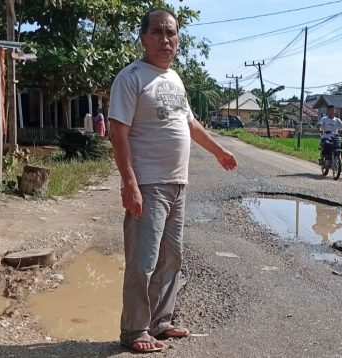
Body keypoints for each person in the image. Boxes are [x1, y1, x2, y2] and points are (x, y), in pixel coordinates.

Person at [108, 8, 238, 353]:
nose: (165, 40)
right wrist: (129, 184)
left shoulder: (176, 79)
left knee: (171, 257)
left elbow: (190, 124)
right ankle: (134, 330)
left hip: (178, 184)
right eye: (157, 33)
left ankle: (159, 323)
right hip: (148, 184)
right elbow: (117, 131)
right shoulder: (131, 77)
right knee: (143, 261)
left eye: (171, 33)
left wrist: (219, 152)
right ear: (143, 38)